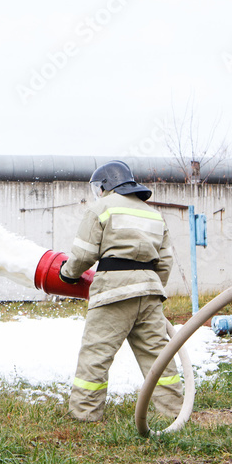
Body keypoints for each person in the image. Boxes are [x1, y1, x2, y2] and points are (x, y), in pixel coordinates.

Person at [59, 160, 183, 422]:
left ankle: (85, 414)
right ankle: (173, 412)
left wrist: (66, 274)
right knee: (158, 356)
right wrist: (149, 288)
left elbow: (83, 255)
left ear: (105, 185)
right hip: (150, 292)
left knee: (96, 354)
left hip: (114, 292)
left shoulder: (101, 208)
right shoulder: (153, 214)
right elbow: (166, 261)